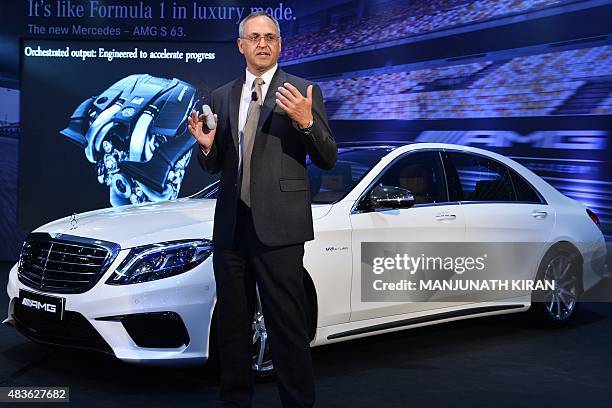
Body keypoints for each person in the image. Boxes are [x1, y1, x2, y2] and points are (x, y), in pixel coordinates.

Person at [187, 11, 337, 408]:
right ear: (241, 45)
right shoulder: (221, 96)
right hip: (232, 229)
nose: (263, 43)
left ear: (280, 44)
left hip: (281, 230)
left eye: (270, 36)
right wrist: (205, 146)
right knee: (233, 331)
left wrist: (306, 122)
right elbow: (216, 164)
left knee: (288, 329)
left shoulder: (302, 90)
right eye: (254, 37)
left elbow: (327, 157)